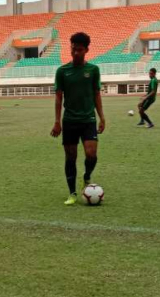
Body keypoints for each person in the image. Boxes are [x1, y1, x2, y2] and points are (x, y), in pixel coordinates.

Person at [50, 32, 106, 205]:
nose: (75, 53)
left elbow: (97, 94)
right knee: (71, 157)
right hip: (70, 121)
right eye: (73, 49)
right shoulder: (62, 71)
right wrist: (57, 121)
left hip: (88, 119)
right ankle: (72, 193)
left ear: (86, 50)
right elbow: (59, 98)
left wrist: (102, 118)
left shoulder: (93, 70)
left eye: (79, 50)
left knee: (91, 154)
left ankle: (87, 176)